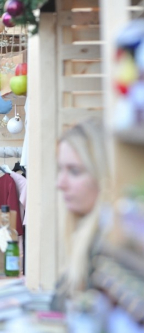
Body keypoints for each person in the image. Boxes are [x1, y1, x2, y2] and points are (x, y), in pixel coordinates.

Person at [53, 117, 110, 309]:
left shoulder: (109, 251)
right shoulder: (87, 238)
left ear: (104, 175)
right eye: (60, 169)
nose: (60, 183)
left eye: (75, 171)